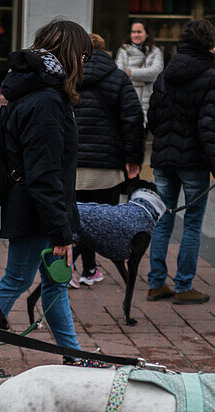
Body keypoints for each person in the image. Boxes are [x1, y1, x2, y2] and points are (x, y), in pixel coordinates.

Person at [0, 20, 107, 385]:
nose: (85, 63)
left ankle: (72, 356)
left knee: (54, 284)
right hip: (36, 211)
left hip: (35, 207)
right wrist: (60, 228)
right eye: (83, 55)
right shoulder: (46, 101)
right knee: (16, 280)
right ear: (71, 55)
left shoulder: (34, 91)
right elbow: (44, 173)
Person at [144, 18, 215, 306]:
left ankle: (156, 284)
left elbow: (153, 121)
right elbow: (208, 127)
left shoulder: (163, 76)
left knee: (162, 221)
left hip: (163, 159)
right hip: (194, 163)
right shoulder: (213, 78)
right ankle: (183, 287)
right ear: (210, 44)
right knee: (193, 224)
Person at [71, 31, 143, 287]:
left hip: (72, 166)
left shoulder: (67, 77)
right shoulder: (118, 78)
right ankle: (90, 270)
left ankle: (68, 268)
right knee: (101, 221)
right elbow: (133, 120)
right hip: (108, 167)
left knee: (73, 219)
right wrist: (133, 158)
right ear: (104, 51)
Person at [116, 18, 162, 124]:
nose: (136, 35)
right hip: (128, 98)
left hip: (149, 100)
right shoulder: (123, 50)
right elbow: (120, 75)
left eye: (139, 32)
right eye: (133, 32)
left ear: (147, 34)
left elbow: (155, 73)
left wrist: (131, 73)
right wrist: (144, 78)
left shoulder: (155, 51)